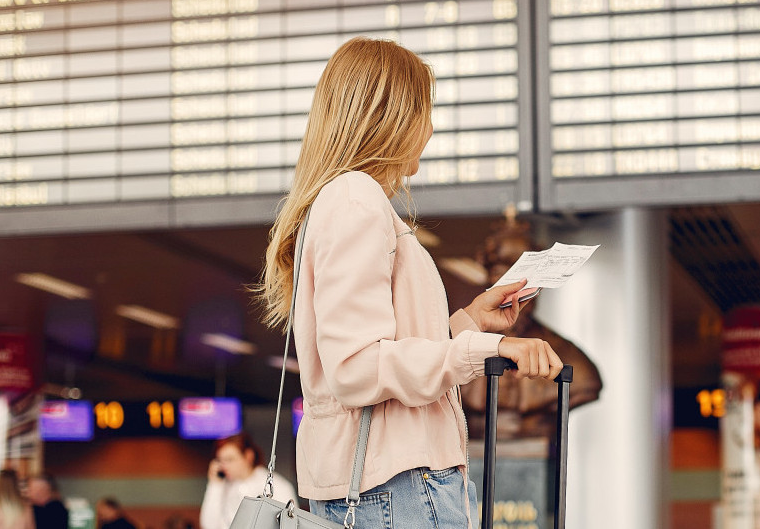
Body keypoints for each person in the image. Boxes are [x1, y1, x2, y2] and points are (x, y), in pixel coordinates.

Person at [255, 37, 563, 529]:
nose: (430, 128)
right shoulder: (356, 199)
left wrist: (467, 323)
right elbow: (357, 367)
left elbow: (381, 353)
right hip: (396, 486)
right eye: (424, 111)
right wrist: (482, 349)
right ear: (392, 117)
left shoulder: (342, 201)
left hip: (382, 484)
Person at [461, 215, 602, 440]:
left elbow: (587, 386)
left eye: (523, 283)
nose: (512, 294)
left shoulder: (571, 358)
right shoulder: (460, 347)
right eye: (501, 278)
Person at [198, 433, 295, 529]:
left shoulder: (278, 486)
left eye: (230, 460)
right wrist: (215, 485)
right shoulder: (222, 486)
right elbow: (209, 525)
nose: (224, 466)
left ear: (249, 456)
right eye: (220, 460)